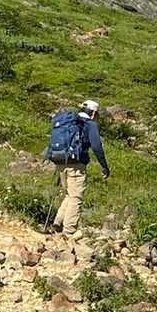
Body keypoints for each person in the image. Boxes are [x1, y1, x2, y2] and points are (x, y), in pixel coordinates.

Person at [46, 99, 110, 236]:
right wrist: (104, 166)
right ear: (93, 113)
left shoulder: (69, 121)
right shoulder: (90, 124)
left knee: (69, 194)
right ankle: (68, 231)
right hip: (76, 164)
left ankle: (57, 223)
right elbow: (96, 146)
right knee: (76, 197)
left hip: (60, 161)